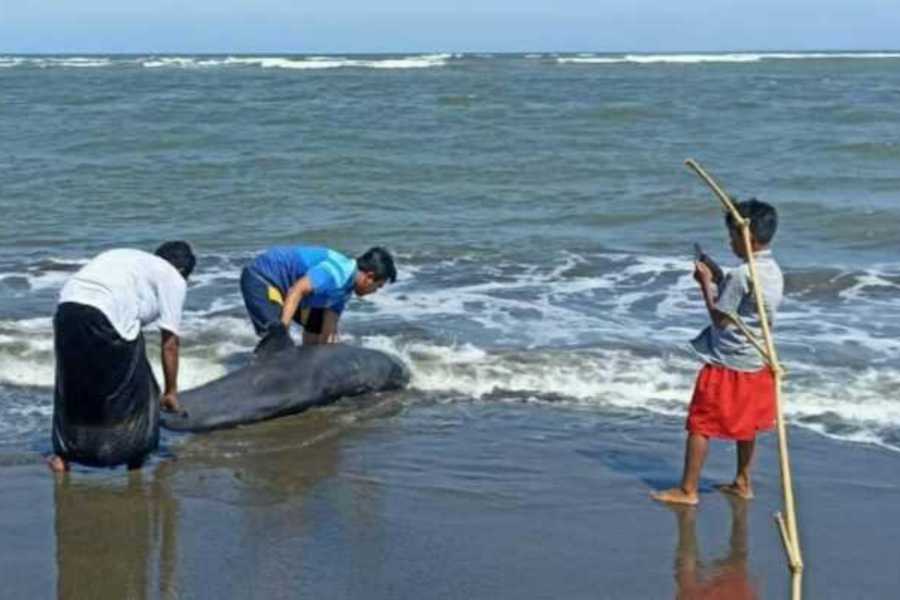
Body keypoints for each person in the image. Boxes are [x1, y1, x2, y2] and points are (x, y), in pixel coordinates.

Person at [652, 199, 783, 505]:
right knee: (747, 424)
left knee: (700, 422)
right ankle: (742, 480)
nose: (730, 242)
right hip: (757, 359)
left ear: (747, 238)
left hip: (728, 362)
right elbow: (746, 303)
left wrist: (706, 283)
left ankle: (688, 490)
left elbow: (720, 318)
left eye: (733, 236)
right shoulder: (771, 270)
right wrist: (719, 273)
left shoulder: (742, 275)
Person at [48, 242, 196, 472]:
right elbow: (170, 343)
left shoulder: (128, 259)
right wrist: (170, 391)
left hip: (66, 310)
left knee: (75, 386)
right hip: (104, 315)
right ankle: (135, 456)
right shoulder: (172, 277)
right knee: (141, 387)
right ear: (184, 271)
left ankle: (62, 456)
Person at [240, 246, 396, 347]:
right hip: (263, 279)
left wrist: (324, 355)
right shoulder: (335, 274)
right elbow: (296, 290)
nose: (376, 291)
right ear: (369, 277)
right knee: (276, 339)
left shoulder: (345, 288)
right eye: (378, 285)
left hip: (287, 289)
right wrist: (282, 332)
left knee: (317, 326)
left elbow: (328, 325)